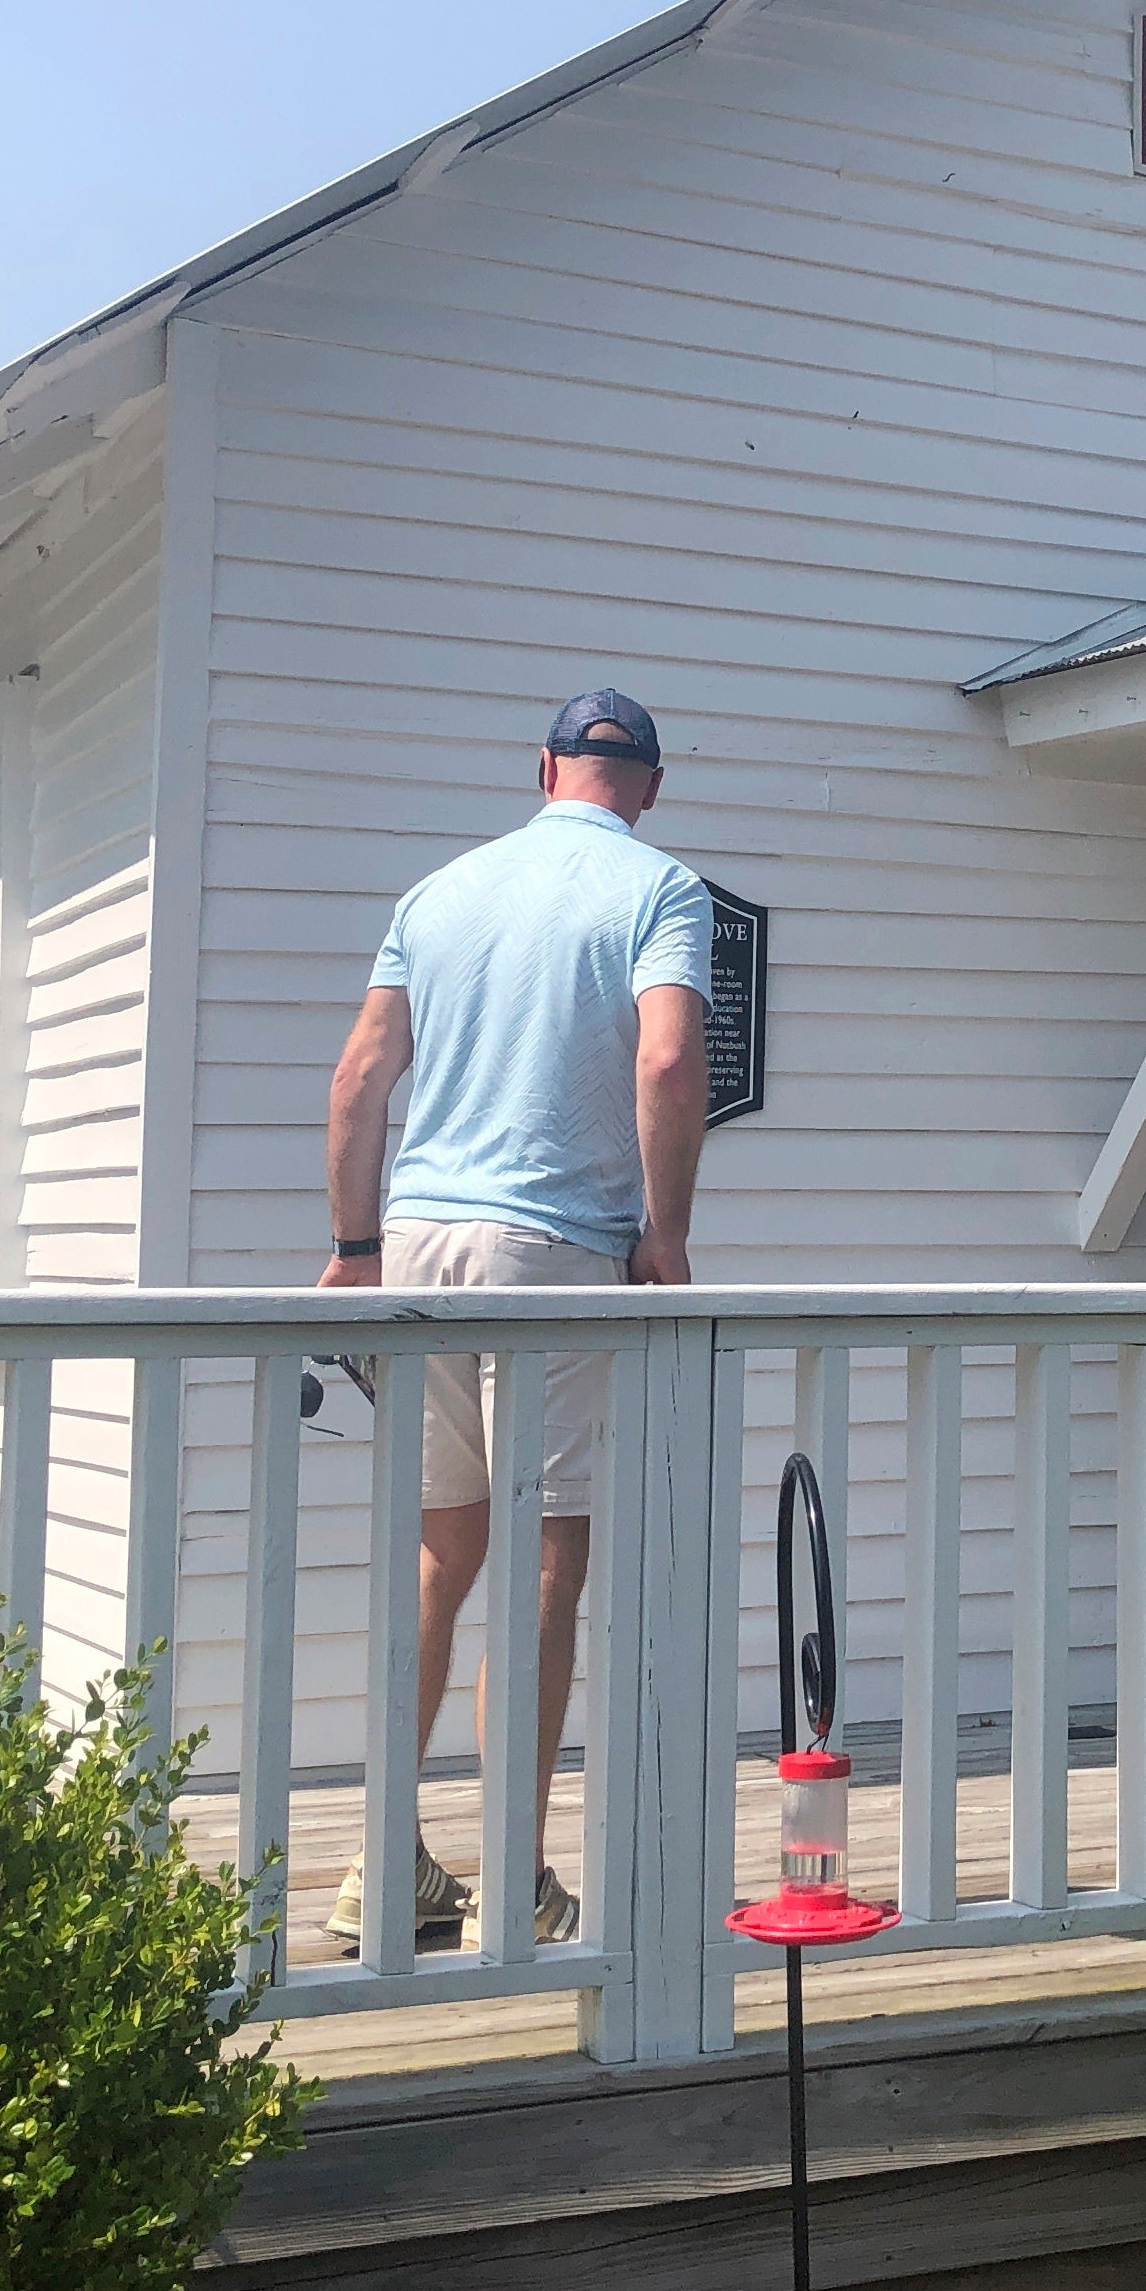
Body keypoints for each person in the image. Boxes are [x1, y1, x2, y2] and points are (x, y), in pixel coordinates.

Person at [316, 687, 713, 1955]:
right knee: (547, 1565)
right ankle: (514, 1877)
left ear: (543, 769)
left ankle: (381, 1869)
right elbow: (664, 1061)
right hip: (551, 1248)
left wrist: (352, 1247)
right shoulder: (660, 890)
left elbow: (362, 1076)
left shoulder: (439, 895)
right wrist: (664, 1232)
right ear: (647, 784)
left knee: (440, 1556)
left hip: (423, 1243)